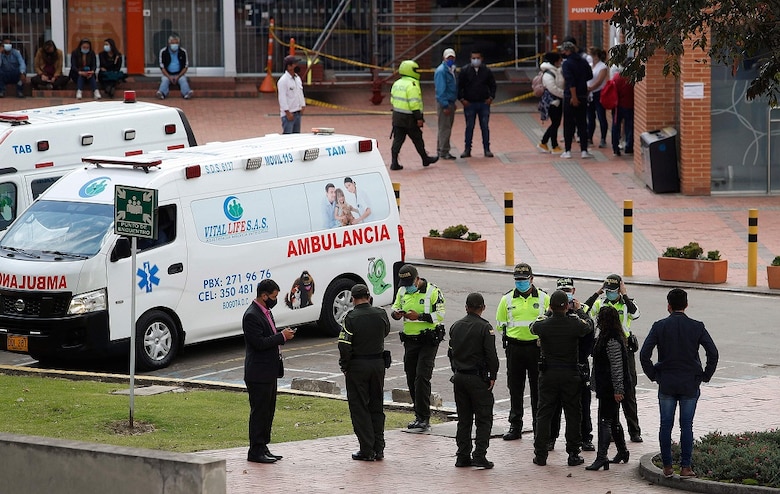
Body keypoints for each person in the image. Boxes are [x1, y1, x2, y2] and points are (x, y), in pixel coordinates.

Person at [640, 288, 719, 479]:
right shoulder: (697, 326)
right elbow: (713, 353)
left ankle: (667, 466)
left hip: (666, 382)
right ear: (686, 305)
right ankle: (685, 467)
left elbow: (644, 355)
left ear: (668, 306)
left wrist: (654, 375)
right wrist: (705, 375)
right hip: (689, 384)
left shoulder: (659, 326)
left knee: (665, 425)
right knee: (687, 426)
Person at [530, 290, 593, 467]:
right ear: (567, 306)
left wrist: (548, 313)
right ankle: (573, 453)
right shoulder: (574, 324)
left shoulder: (544, 324)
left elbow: (532, 327)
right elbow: (588, 326)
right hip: (570, 374)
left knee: (544, 413)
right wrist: (579, 311)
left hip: (548, 374)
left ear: (550, 306)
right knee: (573, 413)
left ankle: (541, 454)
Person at [242, 279, 297, 464]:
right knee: (259, 412)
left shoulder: (266, 313)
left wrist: (281, 334)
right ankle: (255, 450)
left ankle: (263, 446)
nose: (275, 300)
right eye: (273, 296)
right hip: (258, 373)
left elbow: (268, 336)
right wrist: (281, 337)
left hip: (269, 371)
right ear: (264, 295)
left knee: (268, 411)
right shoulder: (251, 315)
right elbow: (259, 343)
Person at [584, 273, 643, 443]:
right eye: (607, 290)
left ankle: (634, 431)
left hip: (625, 349)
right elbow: (584, 309)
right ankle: (610, 430)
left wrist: (624, 295)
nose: (610, 293)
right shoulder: (600, 303)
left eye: (613, 290)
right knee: (608, 391)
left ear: (619, 289)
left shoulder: (626, 303)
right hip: (605, 348)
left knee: (628, 391)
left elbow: (636, 314)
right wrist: (597, 292)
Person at [495, 263, 549, 441]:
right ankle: (515, 426)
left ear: (531, 279)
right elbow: (500, 323)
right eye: (517, 280)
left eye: (523, 280)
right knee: (515, 389)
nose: (520, 283)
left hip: (536, 349)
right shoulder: (507, 299)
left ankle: (537, 426)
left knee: (537, 390)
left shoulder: (543, 298)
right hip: (515, 348)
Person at [339, 283, 391, 461]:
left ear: (353, 299)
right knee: (376, 405)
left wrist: (344, 366)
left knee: (360, 407)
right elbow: (385, 332)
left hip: (358, 366)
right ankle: (379, 447)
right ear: (369, 297)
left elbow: (344, 346)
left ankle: (367, 449)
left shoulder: (350, 317)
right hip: (377, 364)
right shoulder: (381, 313)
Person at [448, 292, 500, 469]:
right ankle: (479, 455)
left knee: (464, 419)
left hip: (460, 377)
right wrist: (492, 375)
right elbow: (491, 355)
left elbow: (450, 353)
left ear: (466, 308)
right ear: (483, 308)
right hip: (477, 379)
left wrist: (456, 369)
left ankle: (462, 456)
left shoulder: (456, 326)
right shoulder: (485, 328)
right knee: (484, 418)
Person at [391, 264, 445, 432]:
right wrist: (397, 314)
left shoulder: (433, 292)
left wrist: (419, 316)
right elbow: (394, 308)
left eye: (410, 282)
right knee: (411, 376)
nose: (408, 286)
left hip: (428, 340)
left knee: (422, 377)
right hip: (410, 341)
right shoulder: (402, 291)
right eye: (404, 283)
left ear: (417, 278)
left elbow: (441, 315)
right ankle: (418, 415)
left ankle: (424, 417)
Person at [547, 278, 595, 453]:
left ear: (573, 291)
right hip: (560, 367)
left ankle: (585, 438)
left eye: (568, 290)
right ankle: (551, 438)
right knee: (554, 407)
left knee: (582, 406)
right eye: (562, 291)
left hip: (578, 365)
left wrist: (580, 311)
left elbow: (590, 332)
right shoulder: (552, 314)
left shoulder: (581, 312)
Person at [585, 306, 631, 471]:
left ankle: (602, 457)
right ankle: (622, 451)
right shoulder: (608, 337)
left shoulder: (611, 340)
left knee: (604, 421)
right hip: (608, 387)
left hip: (610, 388)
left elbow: (616, 366)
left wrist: (618, 390)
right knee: (613, 420)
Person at [389, 60, 439, 170]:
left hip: (397, 117)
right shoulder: (413, 84)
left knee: (397, 140)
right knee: (418, 139)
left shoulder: (397, 83)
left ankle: (394, 163)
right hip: (410, 118)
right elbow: (414, 103)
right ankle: (425, 159)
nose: (417, 71)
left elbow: (392, 100)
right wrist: (419, 118)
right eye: (415, 69)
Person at [457, 50, 496, 158]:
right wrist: (462, 99)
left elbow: (493, 85)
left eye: (477, 58)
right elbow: (459, 86)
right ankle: (467, 149)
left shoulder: (486, 71)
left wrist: (491, 97)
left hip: (483, 103)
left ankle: (487, 149)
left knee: (485, 127)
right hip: (469, 104)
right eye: (473, 58)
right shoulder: (465, 71)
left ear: (482, 59)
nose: (475, 60)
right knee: (469, 127)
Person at [559, 40, 593, 159]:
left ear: (568, 51)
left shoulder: (567, 63)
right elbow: (590, 76)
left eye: (563, 50)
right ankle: (584, 150)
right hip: (583, 95)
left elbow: (570, 80)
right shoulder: (583, 62)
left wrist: (573, 97)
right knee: (582, 123)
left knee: (568, 124)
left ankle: (567, 150)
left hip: (570, 96)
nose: (562, 52)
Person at [537, 52, 565, 154]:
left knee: (555, 123)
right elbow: (552, 88)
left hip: (556, 100)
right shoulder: (549, 73)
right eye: (559, 60)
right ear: (555, 61)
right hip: (552, 102)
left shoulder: (556, 70)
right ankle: (553, 145)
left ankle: (545, 143)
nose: (561, 62)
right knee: (555, 123)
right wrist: (564, 94)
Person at [434, 47, 458, 160]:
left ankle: (441, 149)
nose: (451, 59)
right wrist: (445, 105)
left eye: (452, 57)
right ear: (444, 58)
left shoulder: (451, 70)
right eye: (449, 57)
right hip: (445, 103)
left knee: (445, 127)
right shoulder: (441, 71)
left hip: (450, 102)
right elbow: (440, 90)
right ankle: (444, 151)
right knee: (445, 128)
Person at [157, 35, 192, 100]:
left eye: (176, 43)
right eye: (172, 43)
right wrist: (169, 77)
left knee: (183, 80)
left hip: (179, 74)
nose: (174, 45)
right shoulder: (163, 52)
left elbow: (185, 66)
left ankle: (187, 93)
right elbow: (162, 67)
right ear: (169, 43)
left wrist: (178, 76)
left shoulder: (183, 52)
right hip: (167, 74)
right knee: (165, 80)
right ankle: (161, 93)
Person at [587, 47, 609, 149]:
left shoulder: (602, 66)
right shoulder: (591, 65)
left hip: (598, 93)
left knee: (601, 116)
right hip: (590, 94)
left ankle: (603, 138)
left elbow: (599, 81)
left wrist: (591, 88)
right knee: (590, 117)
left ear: (595, 56)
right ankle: (589, 137)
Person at [611, 63, 635, 156]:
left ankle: (615, 147)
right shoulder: (632, 78)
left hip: (617, 106)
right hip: (629, 105)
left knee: (616, 126)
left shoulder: (617, 77)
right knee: (630, 127)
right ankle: (629, 146)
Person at [277, 55, 305, 134]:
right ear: (289, 66)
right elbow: (282, 98)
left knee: (296, 138)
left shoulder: (297, 78)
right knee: (288, 138)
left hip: (297, 113)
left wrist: (303, 105)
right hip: (289, 115)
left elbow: (300, 92)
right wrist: (287, 113)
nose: (297, 65)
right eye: (295, 64)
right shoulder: (283, 81)